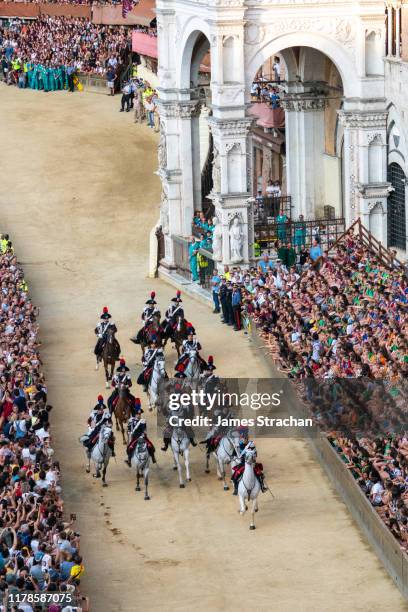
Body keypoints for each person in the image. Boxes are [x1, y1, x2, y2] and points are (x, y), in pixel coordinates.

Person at [124, 400, 156, 465]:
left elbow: (144, 430)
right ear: (135, 414)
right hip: (135, 437)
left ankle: (153, 457)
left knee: (150, 446)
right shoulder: (131, 420)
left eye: (139, 414)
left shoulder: (143, 421)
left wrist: (143, 434)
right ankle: (129, 460)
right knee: (129, 448)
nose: (139, 415)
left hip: (142, 436)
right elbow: (129, 429)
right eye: (137, 414)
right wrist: (129, 433)